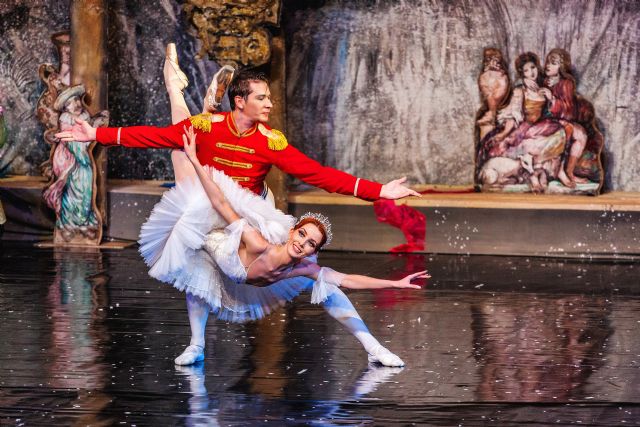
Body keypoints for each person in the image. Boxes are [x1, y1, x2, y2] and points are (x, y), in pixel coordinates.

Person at [139, 125, 428, 367]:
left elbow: (348, 279)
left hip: (248, 266)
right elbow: (220, 201)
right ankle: (196, 344)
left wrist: (397, 284)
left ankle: (373, 348)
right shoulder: (256, 241)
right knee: (194, 259)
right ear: (293, 232)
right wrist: (193, 158)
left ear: (313, 251)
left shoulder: (303, 267)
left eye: (310, 243)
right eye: (302, 235)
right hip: (214, 235)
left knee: (327, 288)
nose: (302, 244)